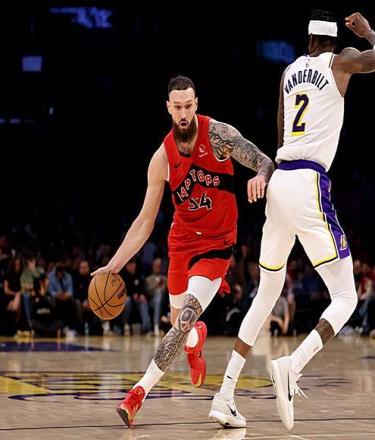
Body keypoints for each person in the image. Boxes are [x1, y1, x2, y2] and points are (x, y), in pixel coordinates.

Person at [210, 9, 375, 430]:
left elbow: (279, 133)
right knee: (345, 296)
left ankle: (225, 395)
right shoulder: (341, 61)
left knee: (266, 292)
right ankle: (292, 366)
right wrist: (369, 32)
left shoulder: (289, 71)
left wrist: (269, 176)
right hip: (309, 181)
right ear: (332, 42)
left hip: (280, 179)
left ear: (309, 40)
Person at [91, 75, 274, 427]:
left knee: (183, 320)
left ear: (196, 104)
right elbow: (145, 221)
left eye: (189, 105)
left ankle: (137, 394)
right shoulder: (161, 158)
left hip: (217, 245)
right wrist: (114, 265)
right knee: (181, 325)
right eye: (178, 107)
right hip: (182, 242)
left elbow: (264, 161)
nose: (184, 113)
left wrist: (261, 176)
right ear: (168, 108)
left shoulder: (219, 136)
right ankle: (194, 340)